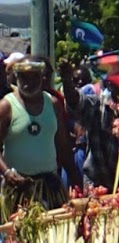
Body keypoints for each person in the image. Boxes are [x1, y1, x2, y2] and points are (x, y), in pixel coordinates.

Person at [0, 55, 82, 212]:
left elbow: (63, 147)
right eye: (24, 77)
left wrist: (76, 181)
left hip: (50, 188)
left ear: (42, 78)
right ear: (17, 77)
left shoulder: (53, 104)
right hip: (18, 191)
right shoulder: (6, 107)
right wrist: (7, 172)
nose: (29, 83)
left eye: (34, 78)